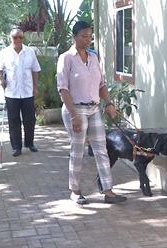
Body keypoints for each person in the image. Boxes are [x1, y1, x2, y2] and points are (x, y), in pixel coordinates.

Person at [57, 21, 127, 205]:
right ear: (74, 38)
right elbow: (63, 89)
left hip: (94, 108)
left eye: (90, 36)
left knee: (101, 150)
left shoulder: (93, 57)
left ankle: (108, 191)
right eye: (84, 36)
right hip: (76, 109)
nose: (88, 40)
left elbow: (101, 84)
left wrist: (109, 103)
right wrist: (73, 115)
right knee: (77, 151)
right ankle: (75, 191)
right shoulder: (66, 58)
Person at [0, 28, 41, 157]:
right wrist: (2, 80)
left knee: (30, 119)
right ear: (11, 38)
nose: (18, 40)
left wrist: (35, 87)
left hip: (27, 92)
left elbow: (35, 70)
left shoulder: (30, 52)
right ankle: (16, 147)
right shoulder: (5, 52)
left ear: (23, 38)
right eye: (15, 37)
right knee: (14, 120)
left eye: (20, 37)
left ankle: (29, 143)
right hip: (12, 93)